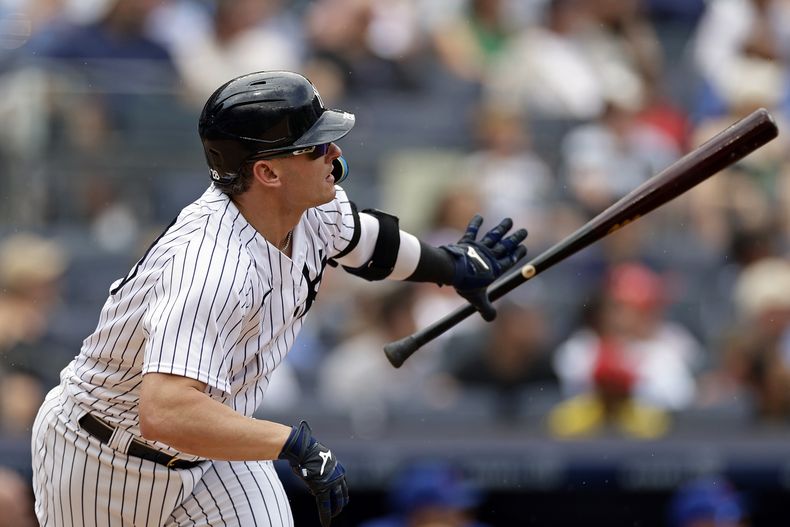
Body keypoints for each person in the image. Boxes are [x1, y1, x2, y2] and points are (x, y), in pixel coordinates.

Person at [30, 70, 528, 527]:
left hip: (214, 451)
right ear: (268, 173)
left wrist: (453, 267)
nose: (333, 153)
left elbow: (371, 244)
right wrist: (291, 443)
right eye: (315, 148)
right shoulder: (211, 265)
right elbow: (166, 411)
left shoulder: (307, 206)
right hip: (104, 458)